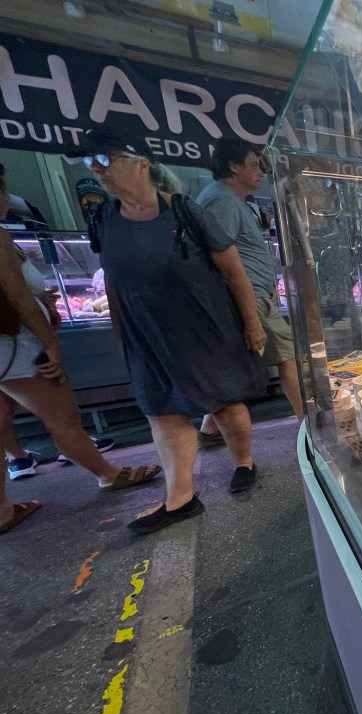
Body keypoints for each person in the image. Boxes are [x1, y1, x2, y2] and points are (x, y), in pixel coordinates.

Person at [71, 128, 268, 534]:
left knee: (226, 405)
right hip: (147, 333)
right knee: (163, 413)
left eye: (106, 160)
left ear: (141, 165)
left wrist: (252, 324)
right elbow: (111, 278)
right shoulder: (104, 217)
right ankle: (180, 498)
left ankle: (244, 461)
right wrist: (120, 329)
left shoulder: (184, 212)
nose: (97, 170)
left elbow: (234, 272)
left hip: (202, 326)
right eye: (90, 163)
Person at [0, 165, 161, 534]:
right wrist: (51, 342)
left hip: (6, 352)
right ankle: (108, 474)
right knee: (63, 419)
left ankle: (2, 508)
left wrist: (44, 301)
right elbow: (20, 300)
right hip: (16, 348)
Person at [194, 138, 303, 446]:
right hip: (249, 298)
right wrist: (249, 314)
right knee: (288, 358)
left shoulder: (233, 200)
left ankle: (208, 430)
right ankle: (312, 428)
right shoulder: (222, 200)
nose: (261, 173)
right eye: (254, 165)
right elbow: (218, 258)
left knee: (231, 367)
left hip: (256, 295)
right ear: (233, 166)